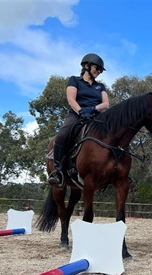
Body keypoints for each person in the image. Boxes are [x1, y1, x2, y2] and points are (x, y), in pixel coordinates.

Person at [47, 53, 109, 187]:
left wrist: (93, 109)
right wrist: (81, 111)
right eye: (96, 68)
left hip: (95, 115)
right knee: (62, 135)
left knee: (114, 133)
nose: (98, 72)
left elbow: (106, 104)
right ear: (86, 66)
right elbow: (71, 99)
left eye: (100, 70)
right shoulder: (74, 80)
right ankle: (57, 171)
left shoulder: (100, 86)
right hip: (76, 114)